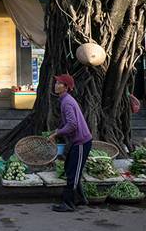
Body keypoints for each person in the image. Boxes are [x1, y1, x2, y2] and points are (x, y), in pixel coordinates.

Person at [48, 73, 93, 212]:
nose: (56, 85)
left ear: (66, 87)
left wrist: (57, 133)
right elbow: (69, 122)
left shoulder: (67, 102)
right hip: (77, 142)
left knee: (73, 173)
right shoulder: (65, 100)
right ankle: (80, 198)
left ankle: (68, 203)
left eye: (59, 83)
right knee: (70, 169)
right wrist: (59, 129)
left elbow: (72, 125)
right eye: (56, 83)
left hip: (81, 142)